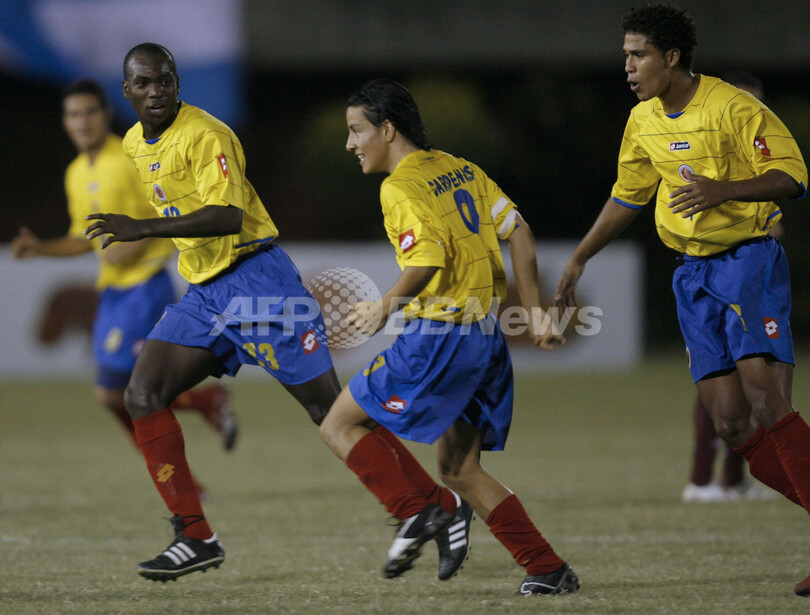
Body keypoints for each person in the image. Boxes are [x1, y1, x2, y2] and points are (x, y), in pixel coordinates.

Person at [85, 44, 470, 583]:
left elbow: (226, 215)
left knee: (329, 410)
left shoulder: (207, 134)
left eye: (165, 81)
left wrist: (141, 228)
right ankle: (194, 535)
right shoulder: (133, 142)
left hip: (256, 281)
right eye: (143, 83)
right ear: (126, 90)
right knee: (142, 393)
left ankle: (435, 506)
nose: (155, 92)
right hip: (205, 292)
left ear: (177, 83)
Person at [554, 4, 810, 596]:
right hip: (692, 275)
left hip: (747, 262)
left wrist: (726, 189)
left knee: (768, 403)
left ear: (671, 57)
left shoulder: (734, 107)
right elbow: (628, 196)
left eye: (638, 55)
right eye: (625, 55)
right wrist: (580, 256)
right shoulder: (642, 120)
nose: (628, 66)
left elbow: (794, 175)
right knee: (730, 422)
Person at [319, 78, 579, 596]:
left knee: (338, 423)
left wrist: (384, 306)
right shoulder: (460, 168)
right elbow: (519, 231)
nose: (350, 144)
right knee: (459, 468)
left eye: (356, 130)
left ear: (387, 129)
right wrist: (534, 312)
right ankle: (548, 568)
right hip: (484, 337)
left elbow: (427, 259)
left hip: (440, 337)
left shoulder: (398, 187)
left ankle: (417, 513)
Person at [10, 79, 237, 500]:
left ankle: (184, 480)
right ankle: (205, 405)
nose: (82, 122)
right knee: (111, 394)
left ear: (105, 114)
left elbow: (168, 208)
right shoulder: (77, 173)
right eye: (73, 114)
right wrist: (41, 248)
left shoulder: (130, 158)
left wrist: (136, 243)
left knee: (131, 392)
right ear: (65, 122)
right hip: (113, 294)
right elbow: (83, 238)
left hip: (145, 287)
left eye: (89, 112)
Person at [681, 70, 776, 503]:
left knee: (746, 381)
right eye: (743, 104)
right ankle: (703, 480)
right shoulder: (706, 157)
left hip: (748, 277)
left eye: (757, 105)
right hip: (715, 278)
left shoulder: (759, 159)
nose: (751, 113)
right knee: (721, 377)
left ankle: (731, 481)